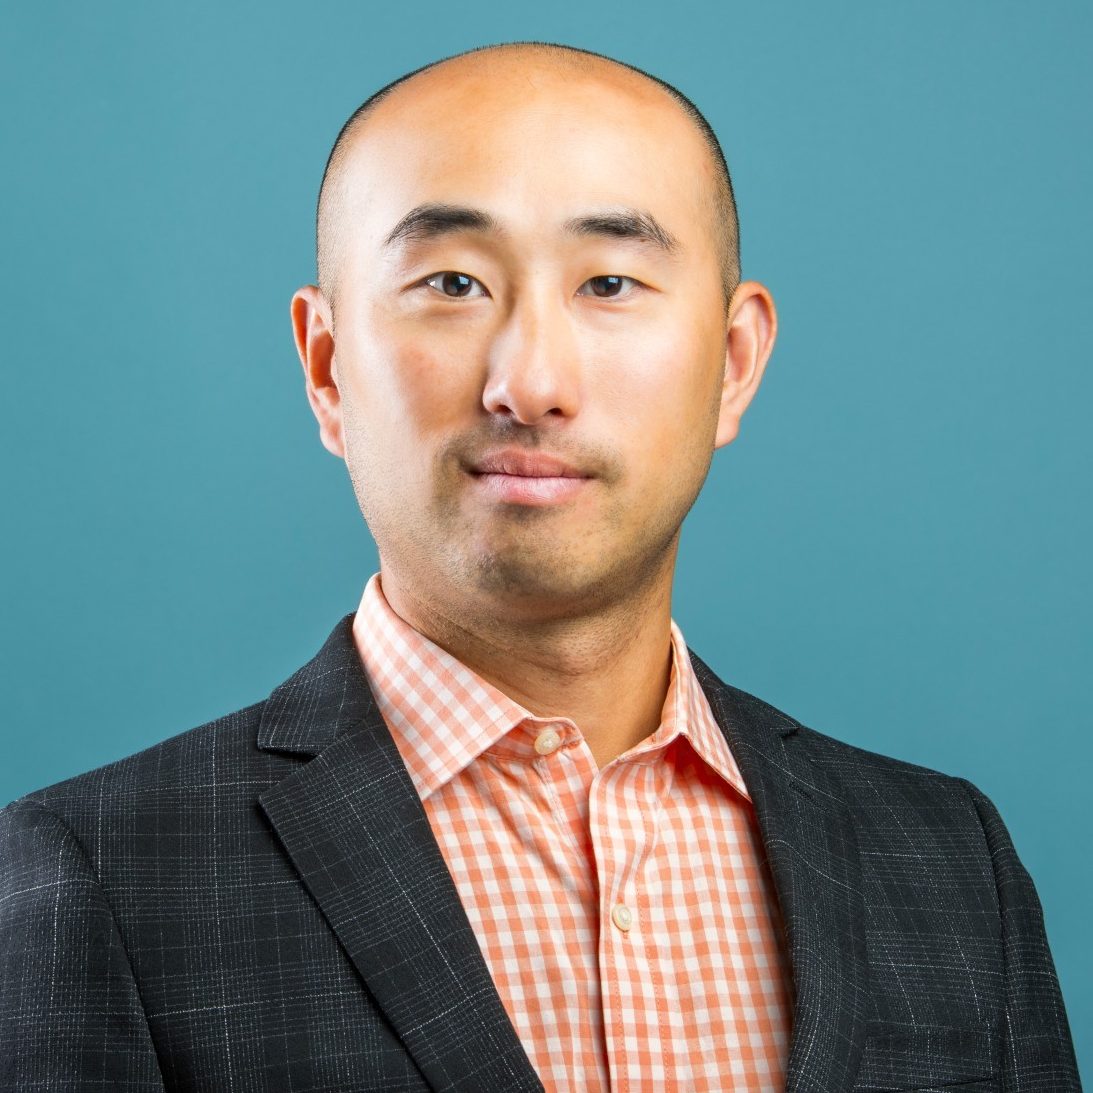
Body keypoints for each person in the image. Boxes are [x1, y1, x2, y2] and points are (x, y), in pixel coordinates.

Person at [0, 40, 1079, 1093]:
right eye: (453, 281)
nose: (529, 381)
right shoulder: (97, 871)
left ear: (734, 364)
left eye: (610, 281)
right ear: (327, 369)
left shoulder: (946, 860)